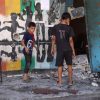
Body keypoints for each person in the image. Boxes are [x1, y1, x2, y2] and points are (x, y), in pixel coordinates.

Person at [51, 12, 75, 86]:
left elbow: (53, 39)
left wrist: (52, 48)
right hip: (68, 49)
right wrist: (73, 50)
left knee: (60, 66)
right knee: (69, 65)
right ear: (67, 19)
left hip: (60, 49)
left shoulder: (55, 27)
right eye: (69, 20)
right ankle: (70, 82)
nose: (69, 21)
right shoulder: (69, 28)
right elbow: (70, 40)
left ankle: (60, 82)